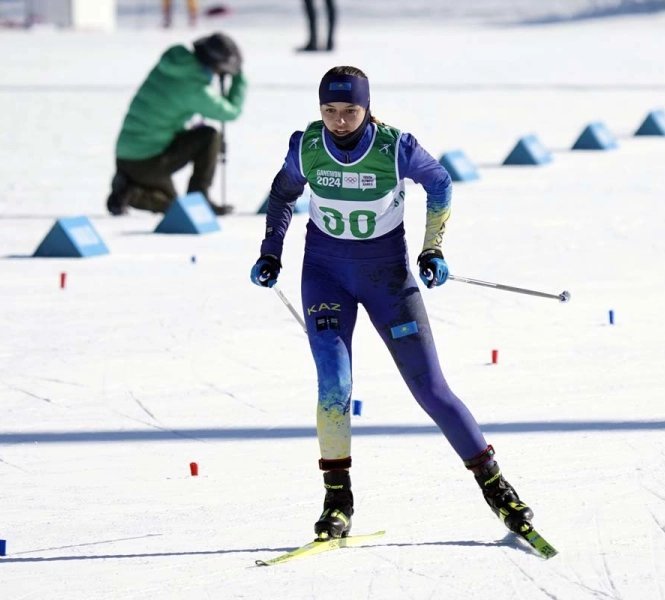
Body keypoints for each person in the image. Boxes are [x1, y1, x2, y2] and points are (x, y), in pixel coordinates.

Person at [249, 66, 536, 541]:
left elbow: (440, 183)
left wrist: (433, 247)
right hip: (324, 276)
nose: (339, 121)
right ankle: (337, 500)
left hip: (387, 278)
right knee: (333, 385)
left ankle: (496, 488)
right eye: (329, 111)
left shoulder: (394, 147)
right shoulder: (306, 146)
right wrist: (270, 251)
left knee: (430, 388)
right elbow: (283, 194)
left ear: (367, 106)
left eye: (350, 110)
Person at [107, 32, 246, 217]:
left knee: (174, 204)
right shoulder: (194, 88)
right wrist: (239, 79)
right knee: (209, 137)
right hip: (146, 160)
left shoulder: (176, 63)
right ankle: (132, 194)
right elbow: (230, 112)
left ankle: (128, 188)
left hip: (128, 155)